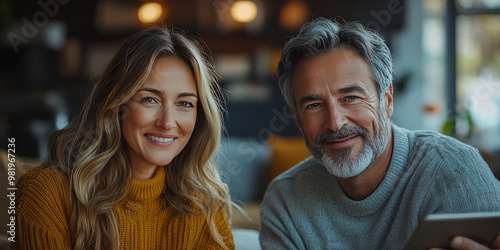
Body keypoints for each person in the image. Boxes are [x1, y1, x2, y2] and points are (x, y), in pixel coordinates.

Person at [260, 17, 500, 249]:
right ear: (298, 120)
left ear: (386, 101)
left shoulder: (455, 171)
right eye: (313, 105)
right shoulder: (285, 203)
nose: (335, 123)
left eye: (351, 97)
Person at [13, 27, 235, 249]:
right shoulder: (46, 194)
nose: (167, 122)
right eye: (150, 99)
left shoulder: (205, 206)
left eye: (184, 103)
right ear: (117, 104)